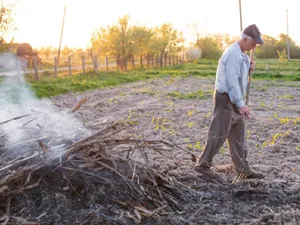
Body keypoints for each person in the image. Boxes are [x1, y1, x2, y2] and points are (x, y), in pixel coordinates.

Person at [195, 24, 264, 180]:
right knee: (219, 133)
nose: (255, 47)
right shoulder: (233, 53)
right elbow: (232, 81)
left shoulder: (242, 54)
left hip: (234, 97)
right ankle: (202, 165)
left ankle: (243, 169)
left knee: (238, 135)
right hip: (226, 99)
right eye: (254, 43)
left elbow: (239, 73)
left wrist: (248, 66)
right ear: (245, 39)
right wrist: (241, 104)